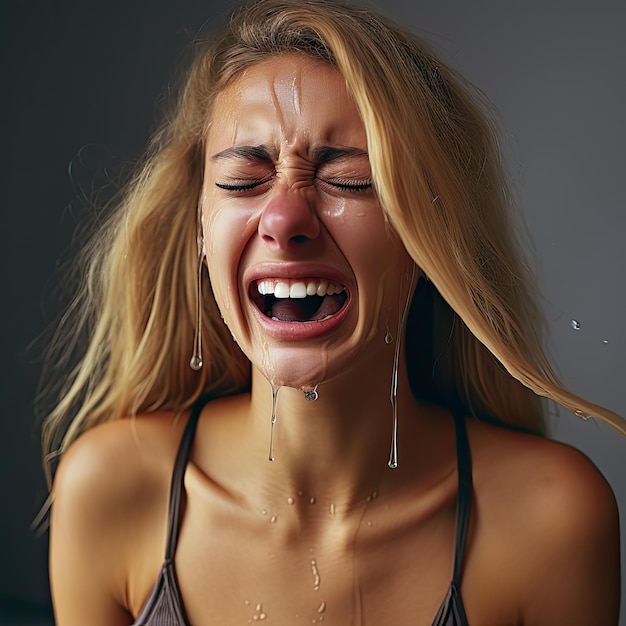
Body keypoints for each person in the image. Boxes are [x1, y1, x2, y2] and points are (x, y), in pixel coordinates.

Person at [42, 0, 623, 624]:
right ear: (200, 233)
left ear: (432, 234)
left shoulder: (551, 519)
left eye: (349, 179)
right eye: (243, 182)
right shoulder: (110, 491)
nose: (285, 219)